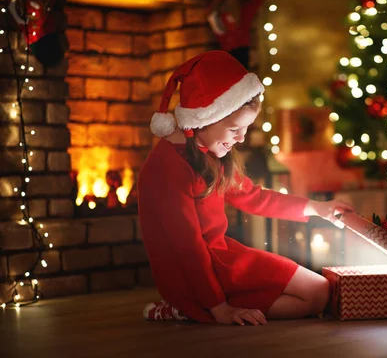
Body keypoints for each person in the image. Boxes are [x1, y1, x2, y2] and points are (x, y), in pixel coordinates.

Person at [139, 51, 354, 326]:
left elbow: (254, 197)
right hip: (196, 272)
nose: (240, 138)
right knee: (314, 297)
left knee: (320, 291)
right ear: (205, 119)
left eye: (246, 128)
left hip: (223, 258)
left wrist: (316, 208)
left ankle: (202, 307)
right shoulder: (168, 166)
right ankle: (191, 307)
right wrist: (220, 309)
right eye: (234, 129)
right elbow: (188, 248)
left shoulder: (210, 153)